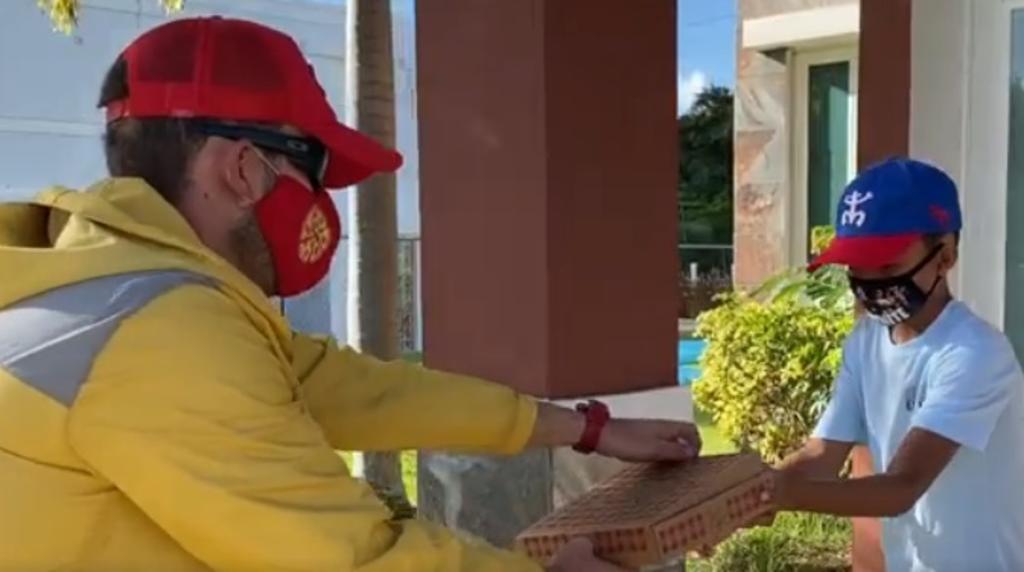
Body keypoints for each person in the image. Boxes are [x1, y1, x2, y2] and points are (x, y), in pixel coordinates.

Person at [0, 17, 701, 571]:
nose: (321, 204)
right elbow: (349, 558)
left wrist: (584, 428)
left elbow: (360, 391)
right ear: (242, 168)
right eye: (312, 171)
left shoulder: (101, 281)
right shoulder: (161, 333)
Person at [764, 158, 1024, 571]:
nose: (872, 285)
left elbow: (902, 487)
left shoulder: (975, 353)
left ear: (945, 256)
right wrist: (749, 496)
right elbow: (822, 455)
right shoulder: (865, 341)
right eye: (858, 269)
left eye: (888, 266)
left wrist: (779, 494)